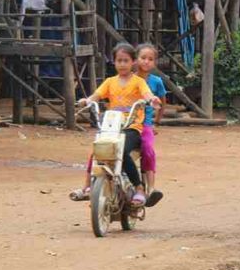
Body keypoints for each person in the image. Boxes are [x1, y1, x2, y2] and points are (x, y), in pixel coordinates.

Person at [71, 43, 158, 207]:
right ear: (114, 62)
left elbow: (147, 93)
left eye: (126, 60)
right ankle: (87, 187)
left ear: (133, 62)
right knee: (97, 151)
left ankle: (139, 188)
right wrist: (87, 101)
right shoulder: (110, 82)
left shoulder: (139, 82)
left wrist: (151, 99)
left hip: (132, 128)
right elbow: (96, 95)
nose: (122, 64)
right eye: (119, 60)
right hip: (112, 127)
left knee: (122, 151)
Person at [136, 43, 168, 207]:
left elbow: (162, 103)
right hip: (127, 123)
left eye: (150, 59)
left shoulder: (156, 82)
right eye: (143, 58)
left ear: (154, 62)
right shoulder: (129, 78)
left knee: (148, 149)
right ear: (136, 59)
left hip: (145, 124)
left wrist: (156, 122)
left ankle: (151, 187)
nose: (146, 62)